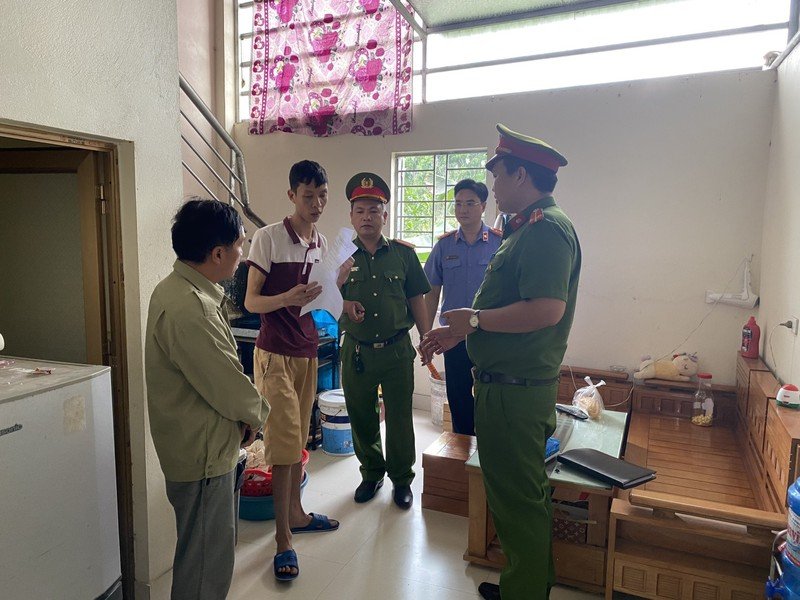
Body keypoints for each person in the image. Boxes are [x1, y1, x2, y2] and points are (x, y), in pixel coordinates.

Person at [421, 124, 581, 600]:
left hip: (515, 392)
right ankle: (528, 584)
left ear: (521, 175)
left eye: (498, 174)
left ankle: (524, 593)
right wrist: (459, 332)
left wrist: (474, 320)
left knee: (518, 499)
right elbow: (509, 305)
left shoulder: (546, 229)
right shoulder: (523, 229)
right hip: (505, 385)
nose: (493, 185)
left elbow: (546, 309)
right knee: (519, 497)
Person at [145, 198, 271, 600]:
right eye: (240, 245)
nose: (242, 254)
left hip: (203, 445)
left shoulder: (180, 289)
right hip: (202, 455)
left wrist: (246, 415)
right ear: (218, 253)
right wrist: (258, 414)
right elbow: (226, 383)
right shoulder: (190, 307)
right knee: (205, 565)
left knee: (205, 554)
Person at [244, 160, 340, 582]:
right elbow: (251, 302)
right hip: (275, 354)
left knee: (298, 440)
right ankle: (283, 540)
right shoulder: (268, 238)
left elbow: (317, 301)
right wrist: (286, 297)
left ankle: (297, 515)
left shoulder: (321, 242)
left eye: (322, 196)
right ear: (291, 196)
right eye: (308, 196)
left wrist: (339, 289)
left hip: (307, 351)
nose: (316, 204)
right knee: (283, 446)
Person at [339, 172, 431, 509]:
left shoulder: (404, 255)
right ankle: (371, 473)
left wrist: (426, 339)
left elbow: (417, 299)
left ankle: (402, 479)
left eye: (374, 210)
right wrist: (343, 301)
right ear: (351, 216)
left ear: (385, 216)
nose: (367, 217)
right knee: (361, 416)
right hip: (357, 351)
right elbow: (323, 299)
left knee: (400, 417)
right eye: (360, 210)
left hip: (396, 350)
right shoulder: (339, 257)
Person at [423, 179, 501, 435]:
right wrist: (426, 334)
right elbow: (431, 294)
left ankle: (487, 448)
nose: (463, 209)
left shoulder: (499, 243)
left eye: (470, 203)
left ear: (483, 206)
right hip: (453, 337)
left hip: (489, 336)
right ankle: (462, 448)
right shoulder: (444, 246)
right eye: (458, 204)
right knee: (458, 399)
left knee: (491, 398)